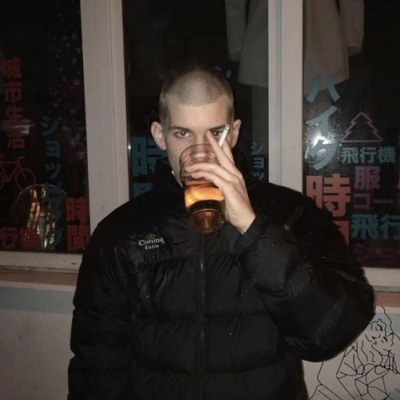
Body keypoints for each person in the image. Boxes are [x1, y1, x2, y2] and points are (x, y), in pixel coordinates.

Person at [68, 65, 375, 399]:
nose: (201, 152)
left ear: (235, 132)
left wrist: (253, 228)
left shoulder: (290, 212)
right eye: (183, 133)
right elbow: (98, 364)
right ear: (159, 135)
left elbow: (331, 332)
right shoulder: (121, 231)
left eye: (215, 133)